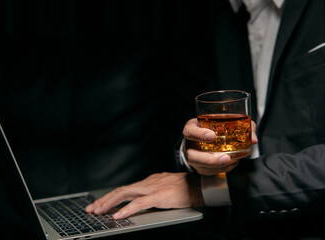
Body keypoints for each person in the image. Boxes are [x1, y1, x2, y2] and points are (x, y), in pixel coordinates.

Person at [86, 0, 325, 238]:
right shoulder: (224, 20)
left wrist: (209, 189)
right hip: (238, 222)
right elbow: (199, 123)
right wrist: (194, 155)